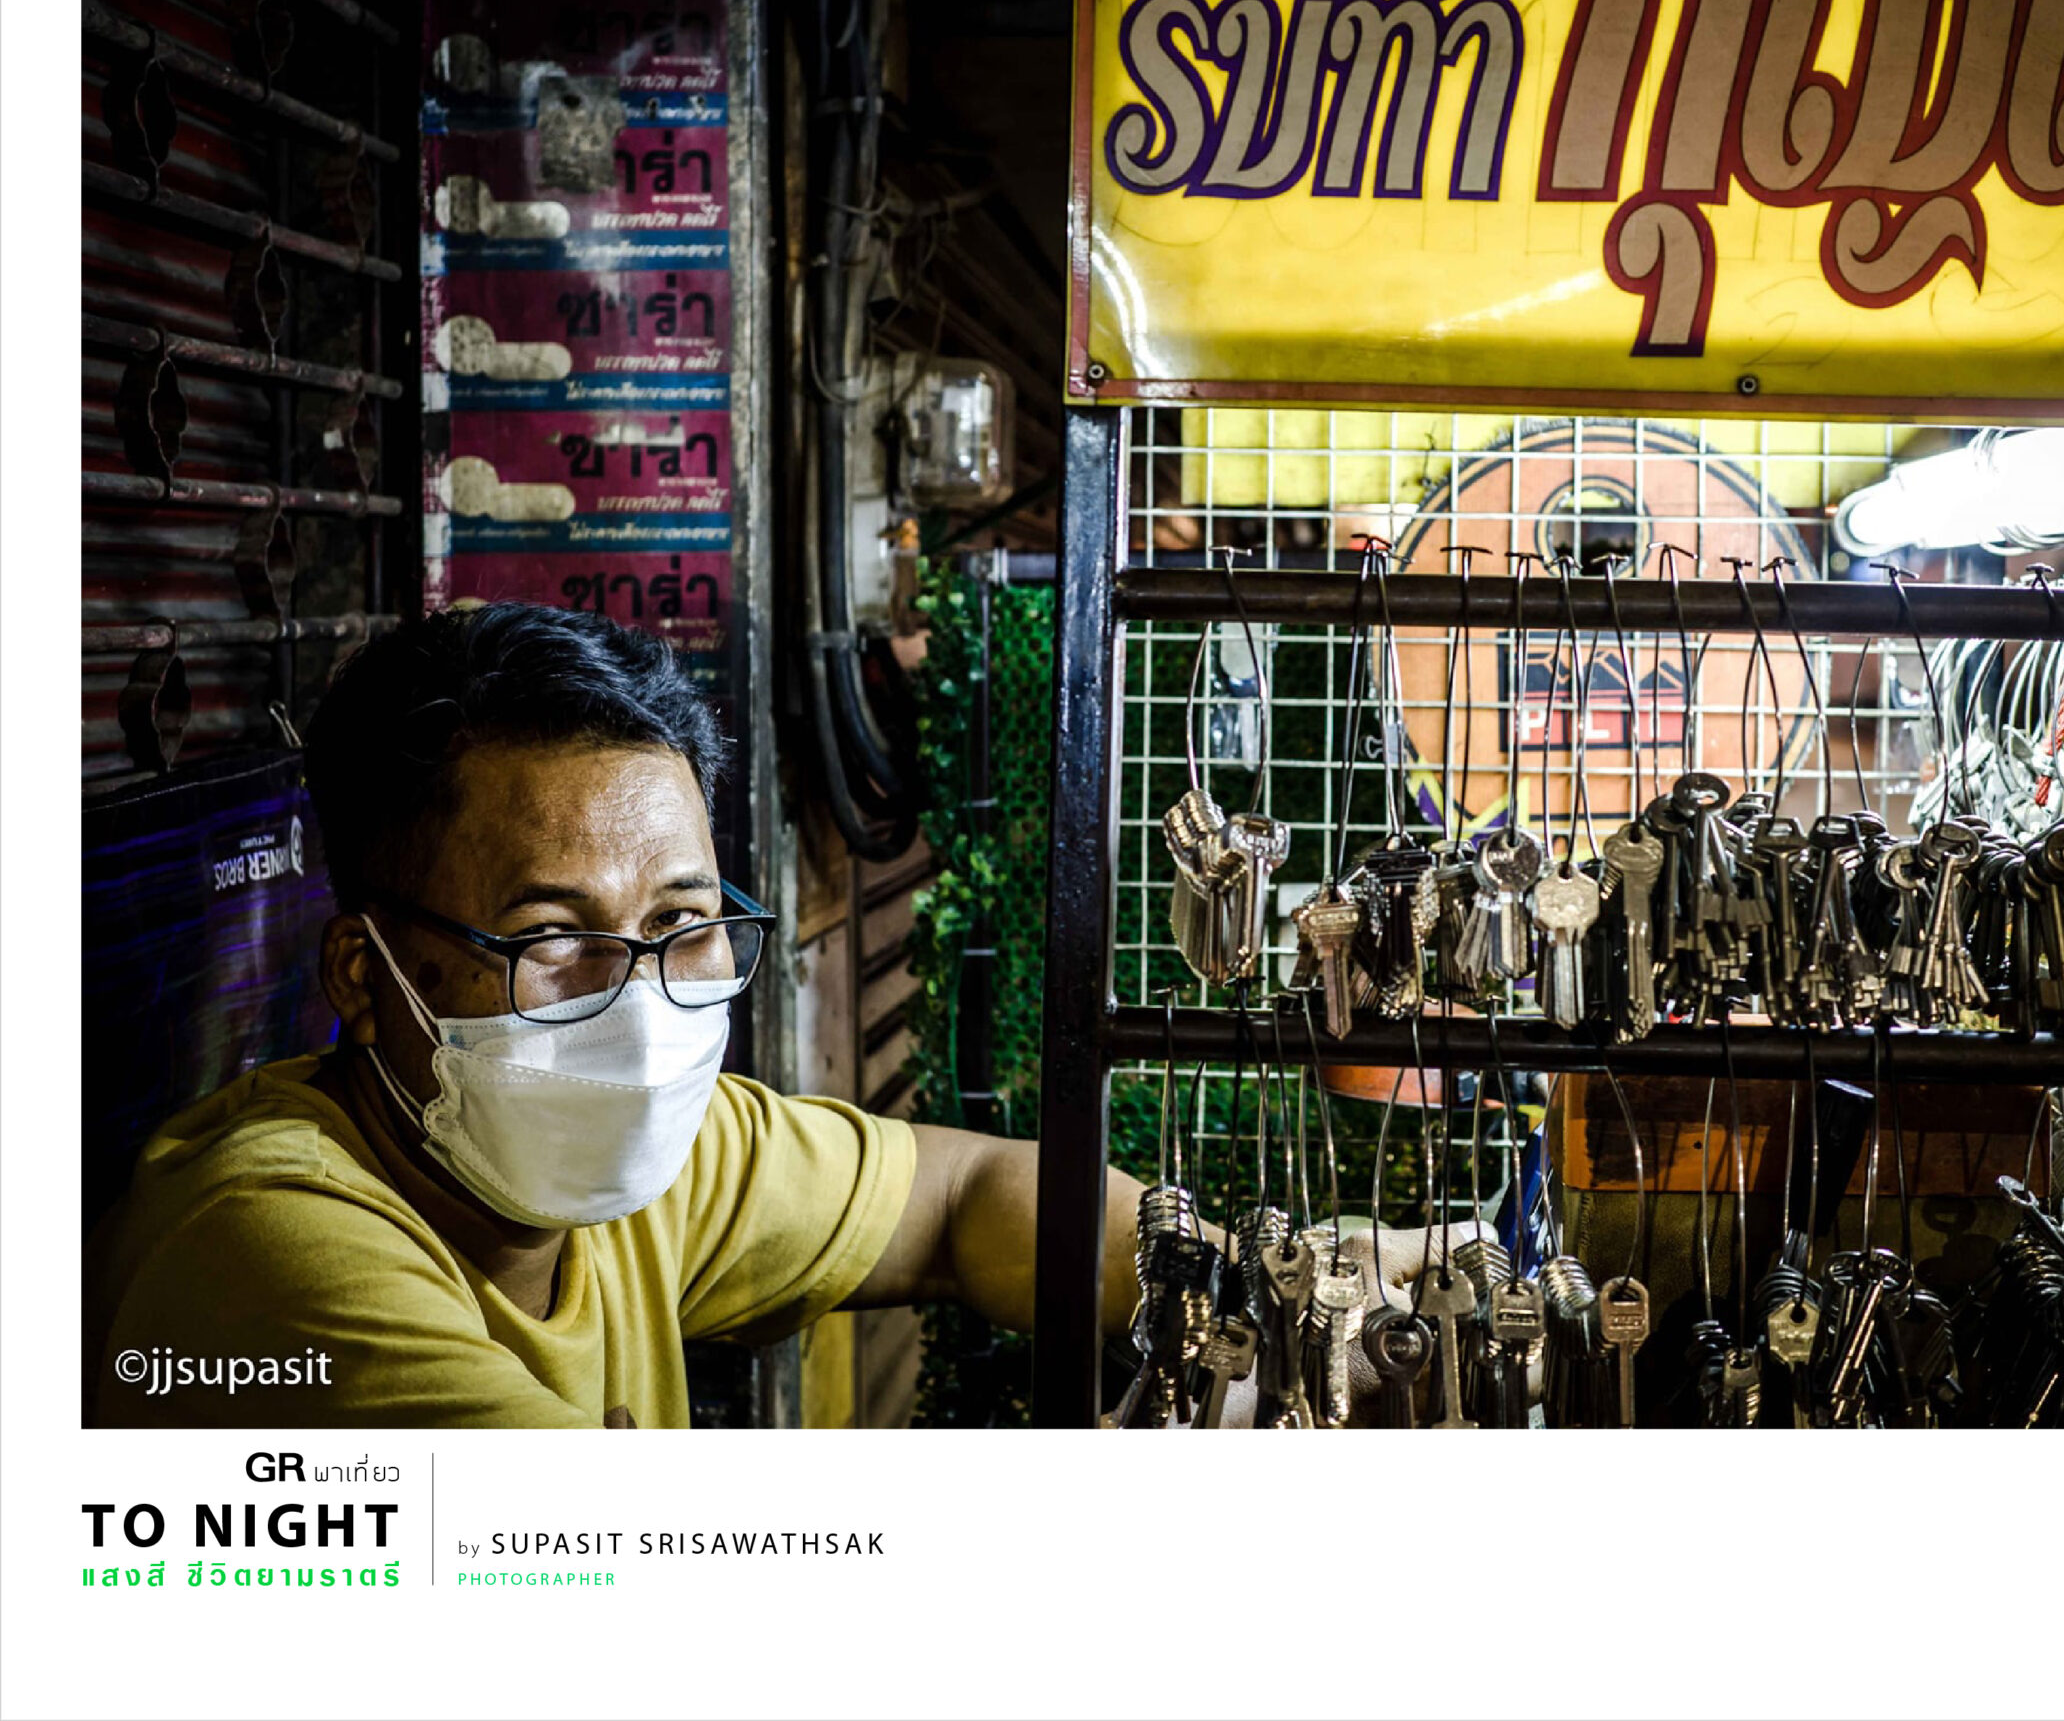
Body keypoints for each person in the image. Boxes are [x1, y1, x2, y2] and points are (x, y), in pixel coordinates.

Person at [83, 604, 1441, 1428]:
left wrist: (1270, 1302)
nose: (636, 1012)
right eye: (554, 942)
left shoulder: (633, 1173)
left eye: (682, 927)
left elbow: (959, 1196)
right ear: (362, 972)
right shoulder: (270, 1261)